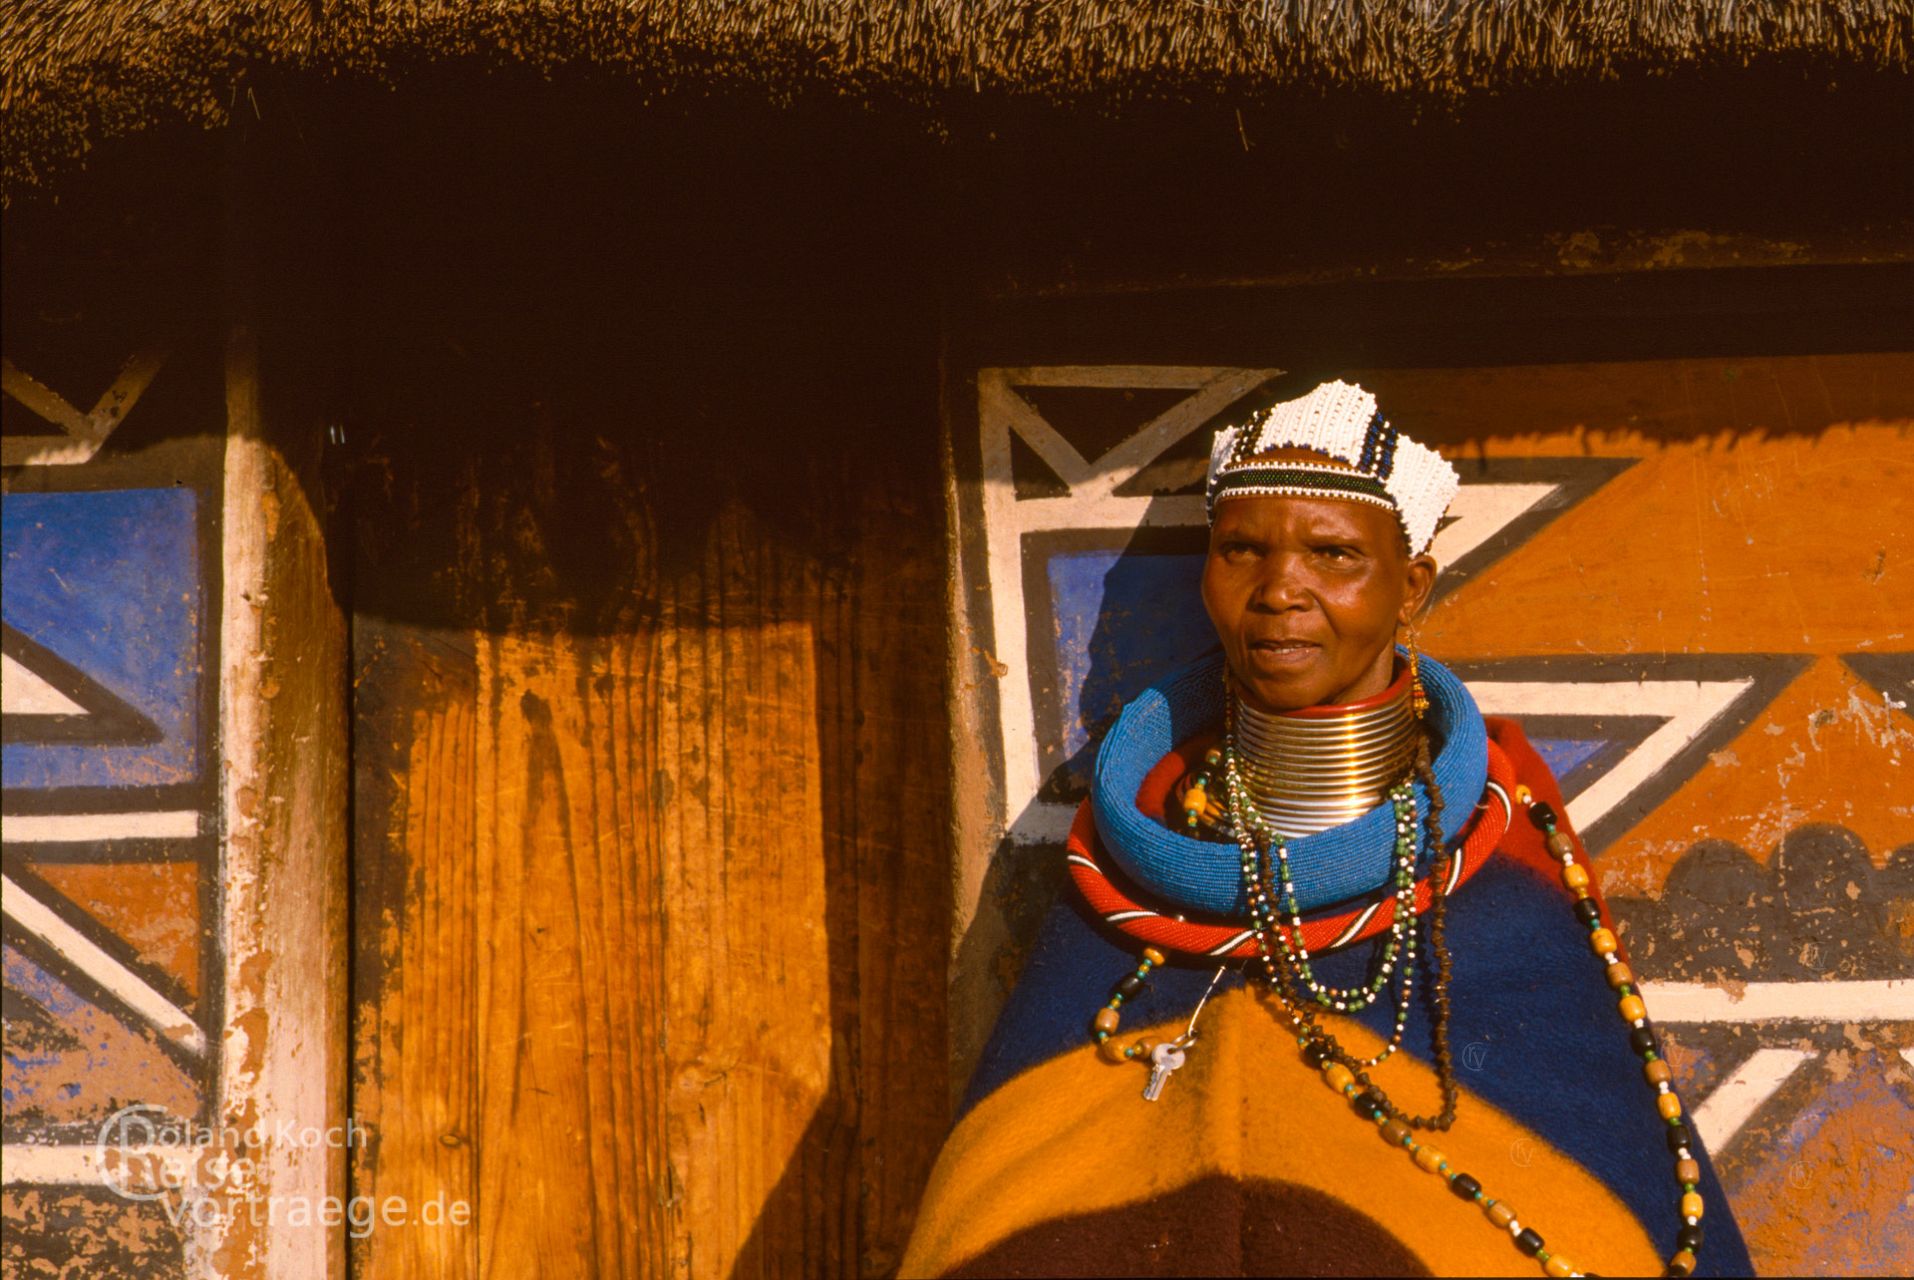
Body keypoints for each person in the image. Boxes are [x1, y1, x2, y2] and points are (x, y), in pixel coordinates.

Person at [902, 380, 1751, 1278]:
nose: (1279, 591)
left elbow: (1598, 1178)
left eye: (1332, 554)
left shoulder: (1504, 862)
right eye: (1240, 551)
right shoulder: (1131, 860)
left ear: (1411, 585)